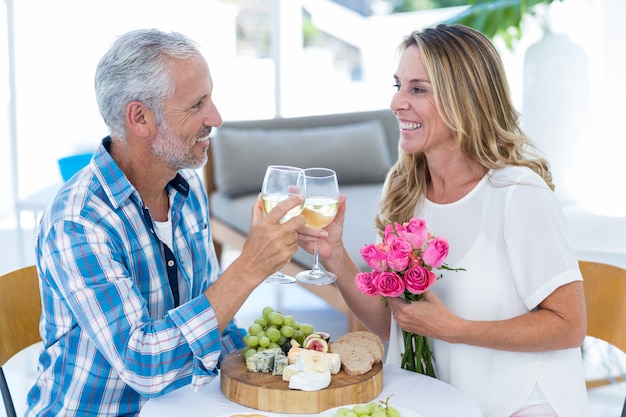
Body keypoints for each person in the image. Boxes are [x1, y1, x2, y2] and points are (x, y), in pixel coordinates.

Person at [298, 24, 587, 417]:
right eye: (398, 85)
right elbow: (396, 326)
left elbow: (569, 326)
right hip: (437, 401)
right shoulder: (404, 189)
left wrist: (453, 329)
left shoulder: (517, 193)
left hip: (520, 405)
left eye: (418, 89)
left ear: (464, 99)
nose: (397, 102)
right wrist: (333, 257)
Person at [26, 29, 305, 416]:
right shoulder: (79, 221)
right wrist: (248, 267)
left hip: (184, 404)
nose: (216, 117)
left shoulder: (185, 184)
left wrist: (281, 362)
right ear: (140, 117)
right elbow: (144, 364)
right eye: (196, 105)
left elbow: (212, 312)